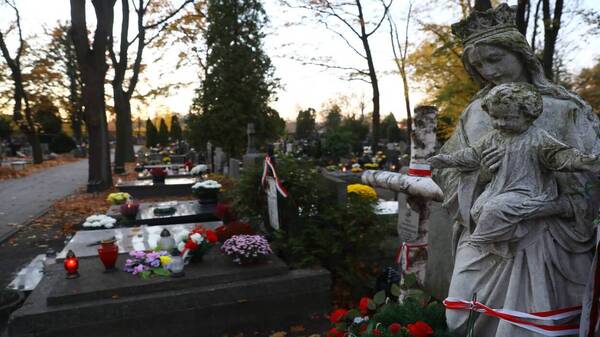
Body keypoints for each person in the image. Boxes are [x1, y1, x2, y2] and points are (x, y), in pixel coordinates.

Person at [433, 4, 600, 337]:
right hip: (485, 231)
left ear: (521, 53)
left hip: (552, 236)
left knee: (540, 323)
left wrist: (556, 204)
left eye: (495, 58)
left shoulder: (567, 109)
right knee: (462, 315)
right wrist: (478, 177)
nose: (488, 71)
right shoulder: (475, 113)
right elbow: (448, 169)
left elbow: (590, 171)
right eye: (479, 65)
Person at [430, 82, 600, 258]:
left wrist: (582, 161)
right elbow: (471, 154)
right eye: (495, 118)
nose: (501, 123)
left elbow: (560, 155)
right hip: (499, 188)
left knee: (494, 209)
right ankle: (507, 238)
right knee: (478, 209)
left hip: (529, 190)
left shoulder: (537, 138)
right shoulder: (493, 138)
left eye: (509, 118)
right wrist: (448, 160)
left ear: (528, 116)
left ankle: (479, 239)